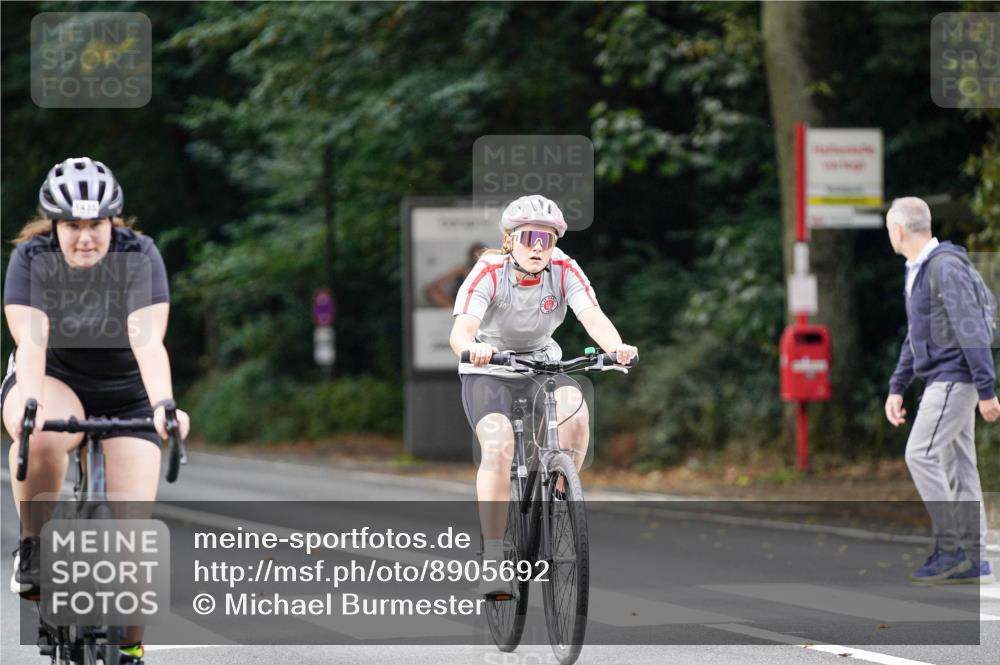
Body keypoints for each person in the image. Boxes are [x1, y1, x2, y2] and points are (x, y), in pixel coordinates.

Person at [2, 157, 191, 663]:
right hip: (55, 380)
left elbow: (148, 341)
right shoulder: (31, 258)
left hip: (127, 389)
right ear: (54, 226)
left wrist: (164, 406)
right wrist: (32, 403)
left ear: (114, 223)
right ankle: (35, 545)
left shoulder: (139, 255)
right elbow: (33, 340)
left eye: (96, 225)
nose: (85, 237)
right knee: (38, 437)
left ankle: (128, 647)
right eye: (72, 226)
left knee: (132, 544)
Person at [448, 194, 637, 596]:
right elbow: (461, 331)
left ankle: (558, 499)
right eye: (530, 237)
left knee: (577, 414)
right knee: (499, 446)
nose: (538, 247)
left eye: (547, 239)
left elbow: (592, 316)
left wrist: (616, 346)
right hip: (491, 369)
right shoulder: (488, 272)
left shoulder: (564, 268)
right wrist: (474, 347)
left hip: (541, 364)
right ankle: (495, 558)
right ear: (509, 238)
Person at [883, 196, 997, 585]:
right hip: (947, 379)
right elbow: (915, 337)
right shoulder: (920, 269)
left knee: (920, 454)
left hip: (953, 378)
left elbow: (971, 327)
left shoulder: (943, 267)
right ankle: (976, 559)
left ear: (898, 231)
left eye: (889, 230)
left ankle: (951, 547)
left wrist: (987, 388)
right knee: (959, 465)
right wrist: (897, 385)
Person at [424, 243, 487, 308]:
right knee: (431, 290)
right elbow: (440, 281)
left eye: (480, 255)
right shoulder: (463, 269)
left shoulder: (490, 270)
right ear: (470, 256)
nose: (477, 258)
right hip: (458, 300)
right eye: (474, 255)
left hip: (479, 301)